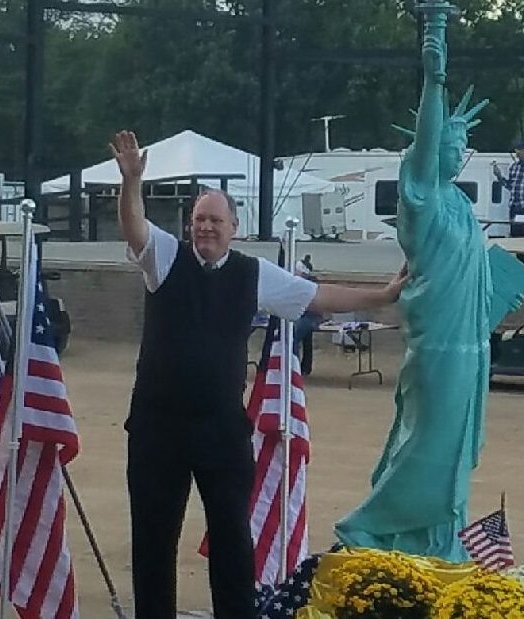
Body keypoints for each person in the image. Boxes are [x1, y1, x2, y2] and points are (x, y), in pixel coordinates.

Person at [110, 130, 408, 619]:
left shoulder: (254, 274)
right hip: (157, 427)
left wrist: (379, 296)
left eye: (215, 220)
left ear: (235, 227)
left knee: (232, 536)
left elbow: (317, 297)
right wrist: (132, 182)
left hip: (221, 429)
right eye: (198, 219)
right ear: (189, 225)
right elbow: (134, 227)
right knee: (153, 538)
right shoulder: (165, 258)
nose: (205, 228)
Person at [332, 10, 524, 563]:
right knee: (427, 447)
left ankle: (438, 541)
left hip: (469, 345)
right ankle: (369, 526)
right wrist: (435, 73)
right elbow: (423, 146)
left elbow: (476, 274)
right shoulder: (420, 199)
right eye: (451, 138)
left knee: (456, 453)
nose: (456, 149)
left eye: (462, 142)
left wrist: (502, 289)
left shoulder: (464, 207)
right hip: (439, 348)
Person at [492, 139, 524, 273]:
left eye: (520, 150)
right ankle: (520, 267)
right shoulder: (513, 167)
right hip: (514, 208)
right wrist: (499, 177)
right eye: (517, 150)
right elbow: (511, 186)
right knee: (517, 238)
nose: (518, 153)